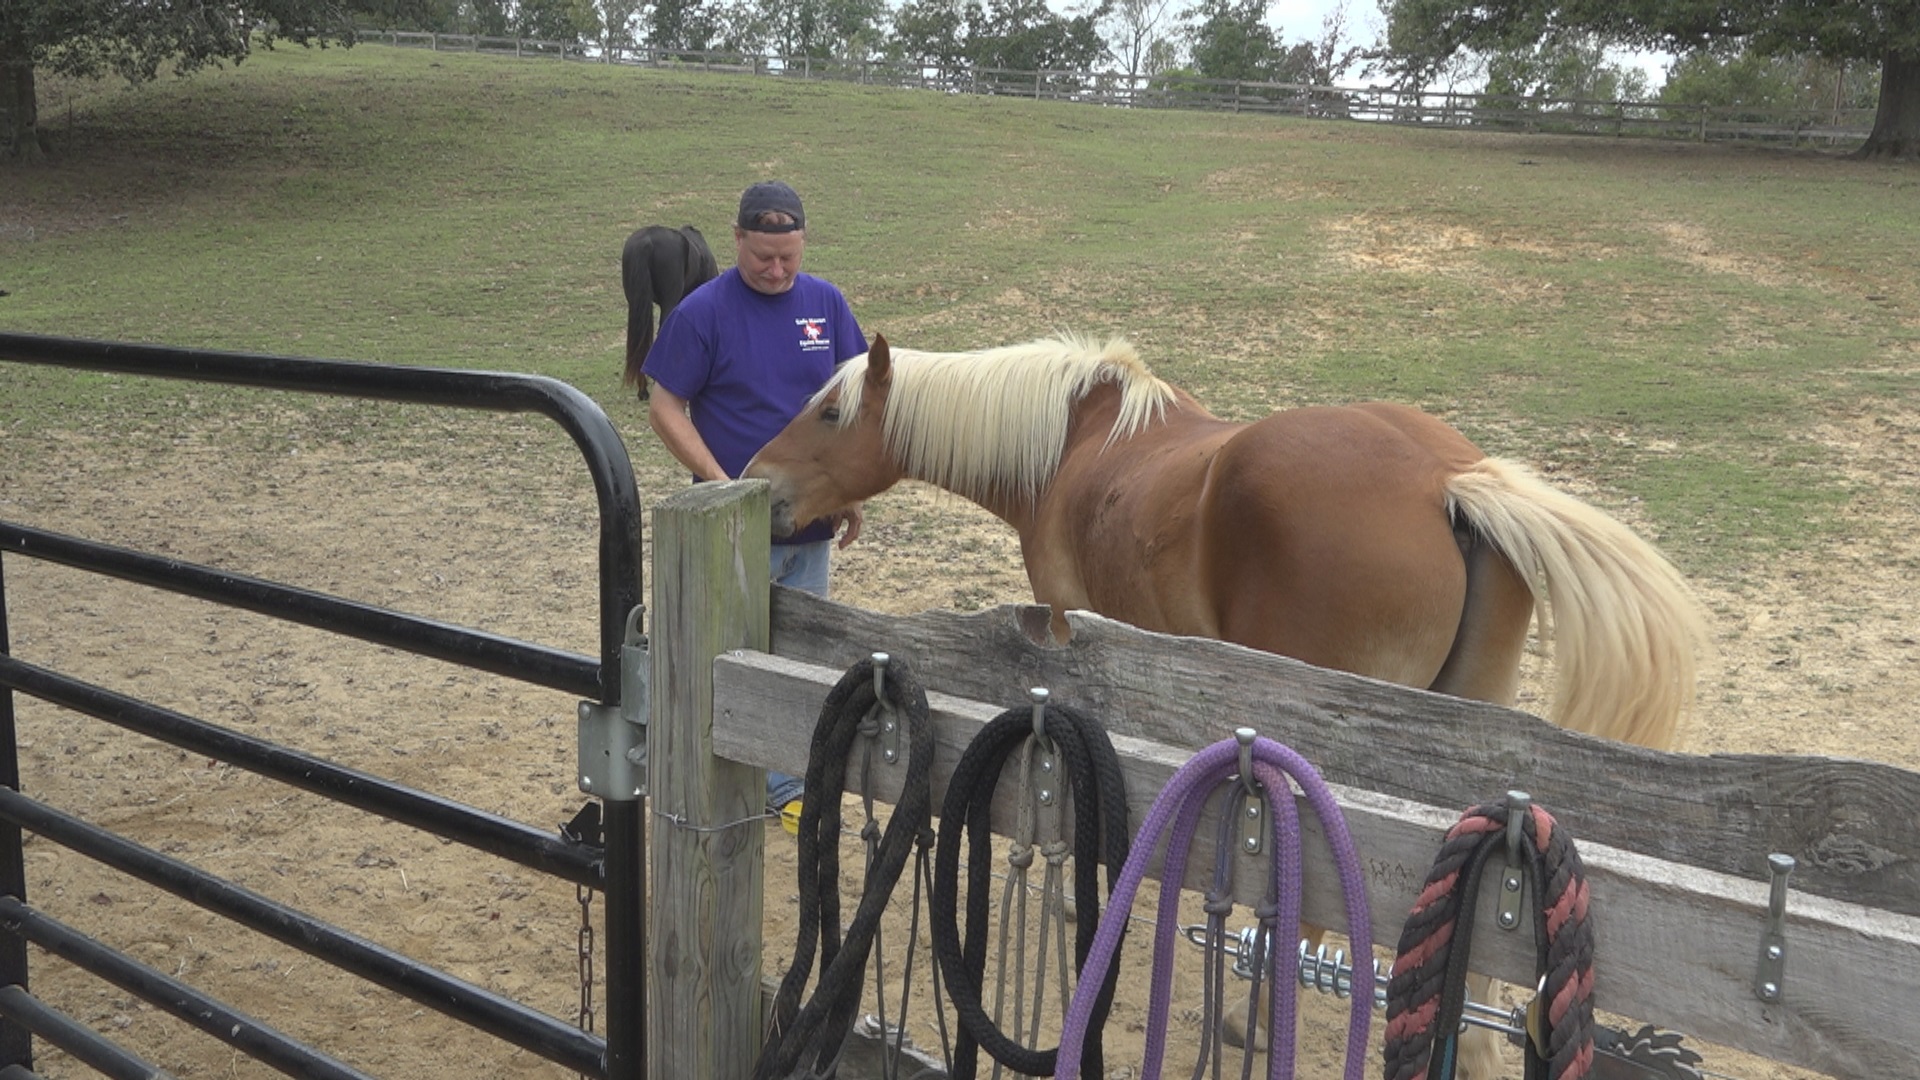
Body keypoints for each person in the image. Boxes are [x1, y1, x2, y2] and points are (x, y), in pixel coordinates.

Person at [642, 180, 868, 816]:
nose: (775, 270)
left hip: (809, 529)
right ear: (736, 239)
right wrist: (723, 486)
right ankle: (715, 778)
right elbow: (666, 407)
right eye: (762, 257)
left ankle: (788, 786)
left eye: (787, 258)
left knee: (800, 655)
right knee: (729, 653)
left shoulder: (825, 305)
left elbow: (850, 405)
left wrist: (847, 492)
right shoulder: (703, 312)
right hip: (734, 530)